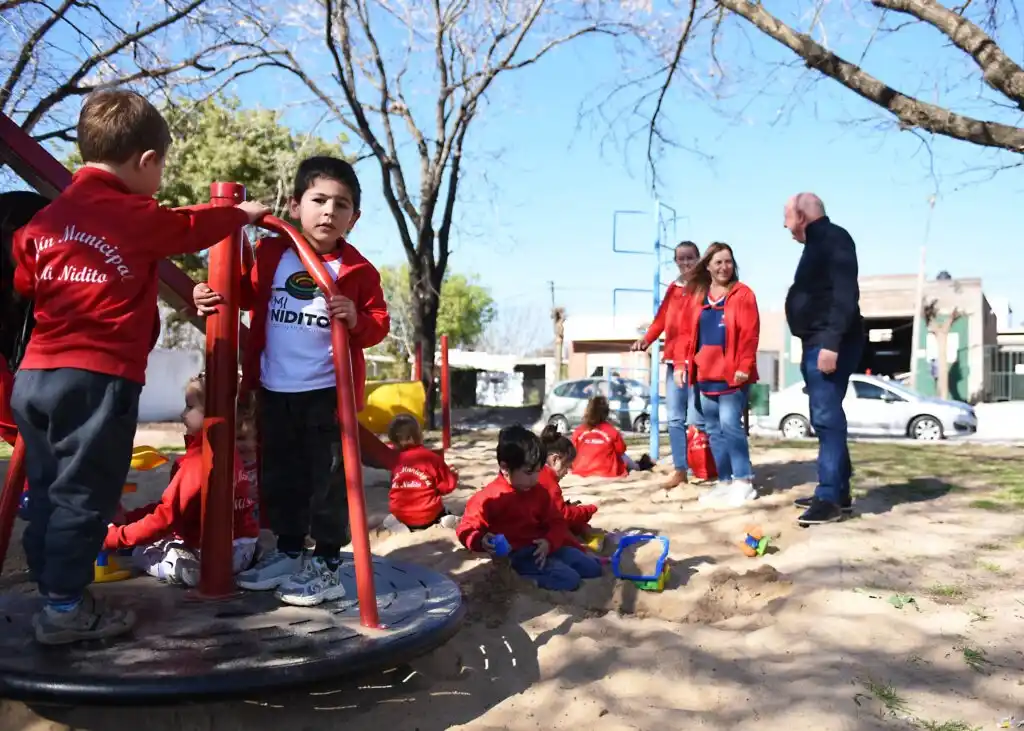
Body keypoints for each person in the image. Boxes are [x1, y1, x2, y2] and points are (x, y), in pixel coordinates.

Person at [9, 89, 268, 645]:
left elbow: (25, 281)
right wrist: (239, 214)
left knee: (50, 487)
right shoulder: (138, 215)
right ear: (147, 161)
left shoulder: (45, 222)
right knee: (88, 492)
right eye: (162, 166)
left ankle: (55, 587)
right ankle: (63, 609)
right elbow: (191, 227)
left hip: (34, 377)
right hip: (97, 379)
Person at [193, 155, 390, 606]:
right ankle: (286, 549)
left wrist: (357, 318)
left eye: (341, 205)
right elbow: (239, 290)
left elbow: (378, 323)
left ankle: (325, 562)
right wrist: (204, 291)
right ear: (295, 205)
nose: (328, 212)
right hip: (275, 387)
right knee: (280, 473)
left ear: (353, 220)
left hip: (326, 392)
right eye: (318, 200)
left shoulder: (357, 271)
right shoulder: (272, 253)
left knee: (328, 478)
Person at [105, 374, 260, 586]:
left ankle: (177, 566)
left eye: (189, 407)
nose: (182, 414)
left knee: (142, 550)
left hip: (214, 557)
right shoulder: (229, 453)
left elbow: (166, 517)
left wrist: (116, 537)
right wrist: (131, 518)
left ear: (213, 412)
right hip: (245, 550)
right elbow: (175, 506)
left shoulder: (200, 459)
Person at [783, 193, 863, 525]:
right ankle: (838, 493)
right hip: (816, 341)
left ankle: (829, 497)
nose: (784, 224)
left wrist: (830, 343)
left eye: (787, 216)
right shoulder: (817, 244)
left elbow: (845, 293)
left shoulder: (834, 238)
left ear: (801, 215)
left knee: (827, 417)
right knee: (824, 416)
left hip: (829, 343)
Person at [456, 425, 602, 592]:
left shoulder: (539, 492)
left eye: (538, 472)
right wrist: (480, 540)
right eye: (528, 472)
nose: (534, 479)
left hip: (544, 549)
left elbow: (557, 522)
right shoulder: (489, 497)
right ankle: (517, 579)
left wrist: (549, 542)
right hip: (516, 556)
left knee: (593, 568)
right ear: (505, 468)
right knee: (569, 579)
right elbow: (466, 528)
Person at [675, 242, 760, 508]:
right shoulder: (698, 295)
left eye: (729, 261)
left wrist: (744, 365)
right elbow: (685, 334)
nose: (724, 267)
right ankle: (724, 481)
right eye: (719, 262)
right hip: (704, 373)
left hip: (734, 375)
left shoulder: (743, 294)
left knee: (730, 424)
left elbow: (750, 333)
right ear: (708, 265)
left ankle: (743, 481)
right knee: (712, 428)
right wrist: (680, 364)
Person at [631, 241, 705, 489]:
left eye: (690, 258)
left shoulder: (705, 287)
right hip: (674, 362)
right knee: (674, 419)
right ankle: (680, 470)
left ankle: (705, 466)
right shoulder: (673, 289)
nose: (685, 263)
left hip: (697, 362)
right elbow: (661, 319)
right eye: (681, 259)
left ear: (698, 258)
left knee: (699, 419)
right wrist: (646, 339)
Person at [384, 414, 460, 531]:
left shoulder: (395, 461)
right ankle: (443, 520)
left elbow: (394, 486)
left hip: (401, 514)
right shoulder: (431, 458)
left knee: (389, 520)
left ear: (394, 441)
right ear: (419, 435)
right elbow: (446, 487)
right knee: (442, 509)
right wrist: (453, 476)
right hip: (427, 515)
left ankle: (401, 526)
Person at [539, 425, 598, 535]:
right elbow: (564, 516)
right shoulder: (548, 481)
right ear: (555, 459)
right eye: (566, 466)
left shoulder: (539, 472)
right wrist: (589, 510)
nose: (567, 472)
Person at [571, 395, 647, 478]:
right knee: (622, 455)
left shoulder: (579, 430)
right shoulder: (611, 430)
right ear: (606, 413)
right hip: (607, 471)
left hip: (581, 470)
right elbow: (621, 450)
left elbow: (572, 450)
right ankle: (638, 467)